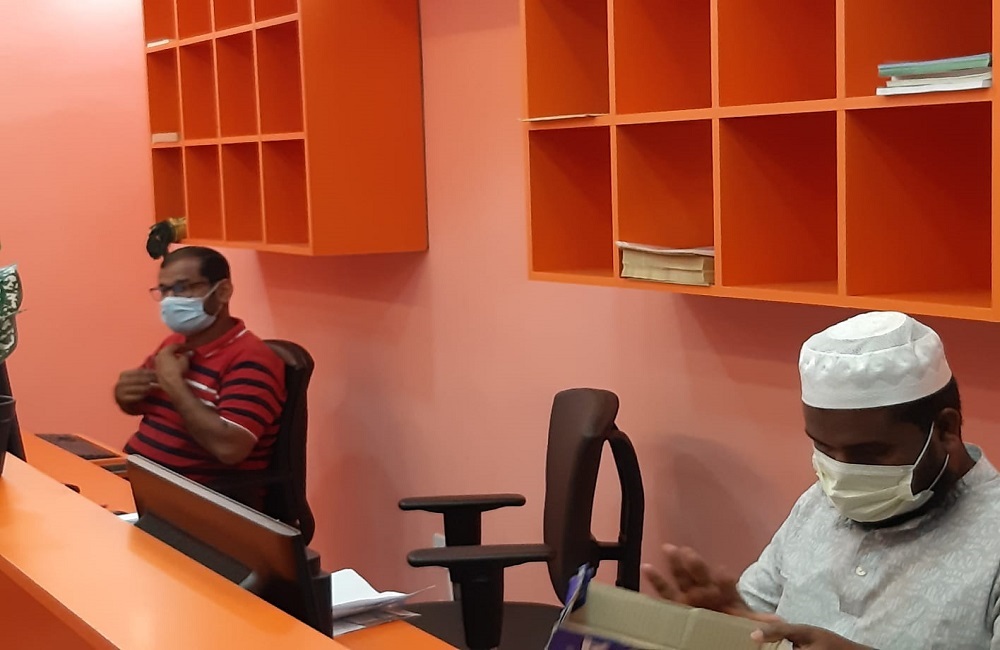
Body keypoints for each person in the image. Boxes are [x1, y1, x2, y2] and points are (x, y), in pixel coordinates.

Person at [643, 311, 1000, 649]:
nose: (841, 476)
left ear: (946, 429)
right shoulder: (817, 505)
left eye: (868, 453)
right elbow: (755, 618)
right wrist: (724, 627)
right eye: (824, 449)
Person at [117, 246, 286, 490]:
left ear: (223, 291)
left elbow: (229, 448)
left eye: (182, 288)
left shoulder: (253, 359)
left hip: (193, 496)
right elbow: (143, 405)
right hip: (137, 478)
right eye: (164, 291)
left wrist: (175, 384)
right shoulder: (174, 344)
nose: (170, 300)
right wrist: (125, 395)